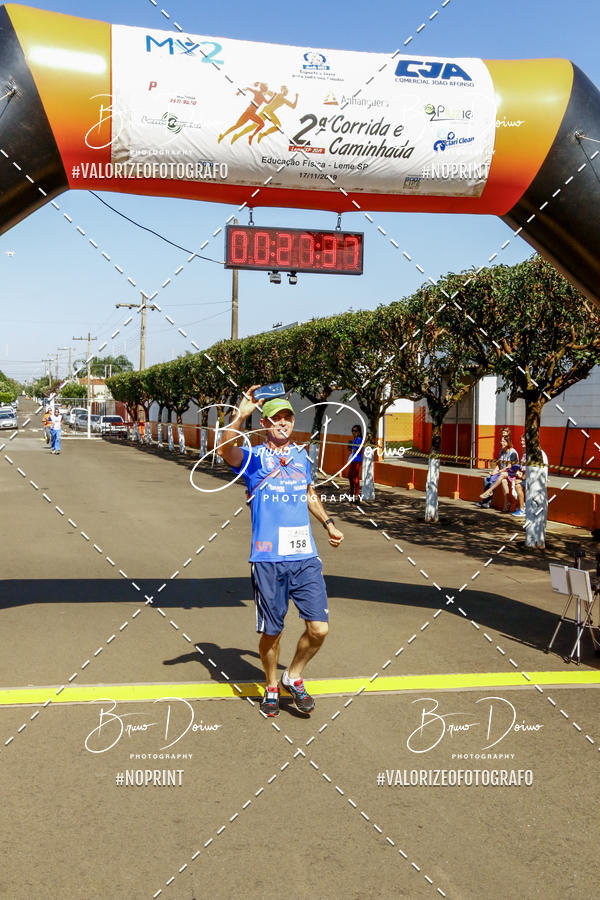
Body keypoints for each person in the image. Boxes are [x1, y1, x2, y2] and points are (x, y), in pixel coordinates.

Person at [218, 386, 344, 718]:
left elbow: (308, 493)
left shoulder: (302, 456)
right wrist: (239, 416)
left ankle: (294, 675)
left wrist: (329, 523)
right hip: (268, 558)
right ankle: (272, 684)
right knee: (272, 631)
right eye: (277, 419)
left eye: (288, 418)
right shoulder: (254, 458)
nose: (284, 423)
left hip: (304, 557)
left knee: (319, 629)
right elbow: (223, 449)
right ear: (265, 423)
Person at [476, 431, 519, 511]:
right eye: (501, 441)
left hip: (512, 472)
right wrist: (494, 472)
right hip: (504, 473)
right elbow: (499, 465)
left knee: (502, 475)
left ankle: (489, 492)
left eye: (503, 441)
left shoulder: (512, 453)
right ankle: (506, 503)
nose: (501, 443)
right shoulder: (502, 451)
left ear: (508, 442)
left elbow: (509, 467)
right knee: (489, 479)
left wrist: (498, 472)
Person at [511, 434, 549, 517]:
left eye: (523, 440)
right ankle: (522, 507)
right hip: (528, 477)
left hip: (534, 478)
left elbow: (529, 470)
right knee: (517, 482)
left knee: (517, 484)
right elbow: (523, 468)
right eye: (521, 440)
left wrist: (521, 476)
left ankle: (522, 509)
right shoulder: (525, 452)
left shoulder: (533, 453)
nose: (521, 442)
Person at [347, 425, 363, 500]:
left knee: (355, 477)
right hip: (353, 459)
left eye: (356, 431)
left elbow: (359, 450)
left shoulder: (359, 439)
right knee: (350, 476)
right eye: (353, 431)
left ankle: (356, 494)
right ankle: (352, 492)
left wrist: (353, 448)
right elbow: (353, 449)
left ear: (359, 432)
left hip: (357, 460)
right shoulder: (355, 439)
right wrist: (351, 448)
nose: (354, 432)